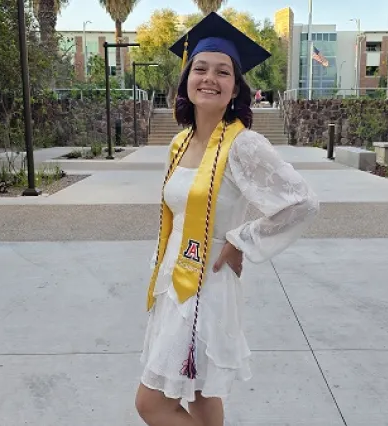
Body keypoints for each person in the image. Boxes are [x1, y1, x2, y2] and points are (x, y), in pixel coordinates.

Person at [135, 12, 320, 426]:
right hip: (172, 280)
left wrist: (243, 238)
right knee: (202, 397)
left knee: (151, 404)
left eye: (223, 72)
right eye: (200, 68)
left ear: (236, 87)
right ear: (186, 78)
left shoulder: (244, 145)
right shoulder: (181, 143)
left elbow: (302, 201)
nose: (209, 78)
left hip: (207, 287)